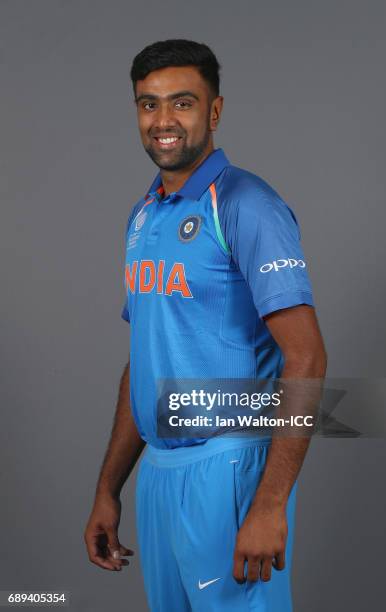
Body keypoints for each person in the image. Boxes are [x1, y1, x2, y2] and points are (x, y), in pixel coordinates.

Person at [84, 38, 327, 611]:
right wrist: (107, 489)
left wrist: (268, 504)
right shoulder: (144, 215)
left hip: (230, 466)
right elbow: (144, 358)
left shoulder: (246, 205)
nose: (163, 120)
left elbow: (308, 358)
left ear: (213, 111)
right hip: (161, 475)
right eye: (149, 104)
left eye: (182, 103)